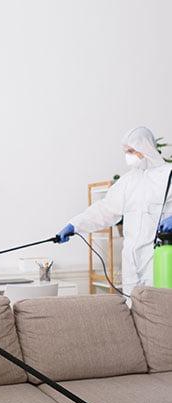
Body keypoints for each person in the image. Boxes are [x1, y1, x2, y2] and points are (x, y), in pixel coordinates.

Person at [57, 126, 172, 295]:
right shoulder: (127, 181)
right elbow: (105, 209)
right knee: (131, 305)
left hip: (159, 259)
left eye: (131, 151)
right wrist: (75, 225)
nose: (128, 156)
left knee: (159, 306)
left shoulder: (168, 175)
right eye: (126, 152)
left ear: (145, 148)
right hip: (131, 263)